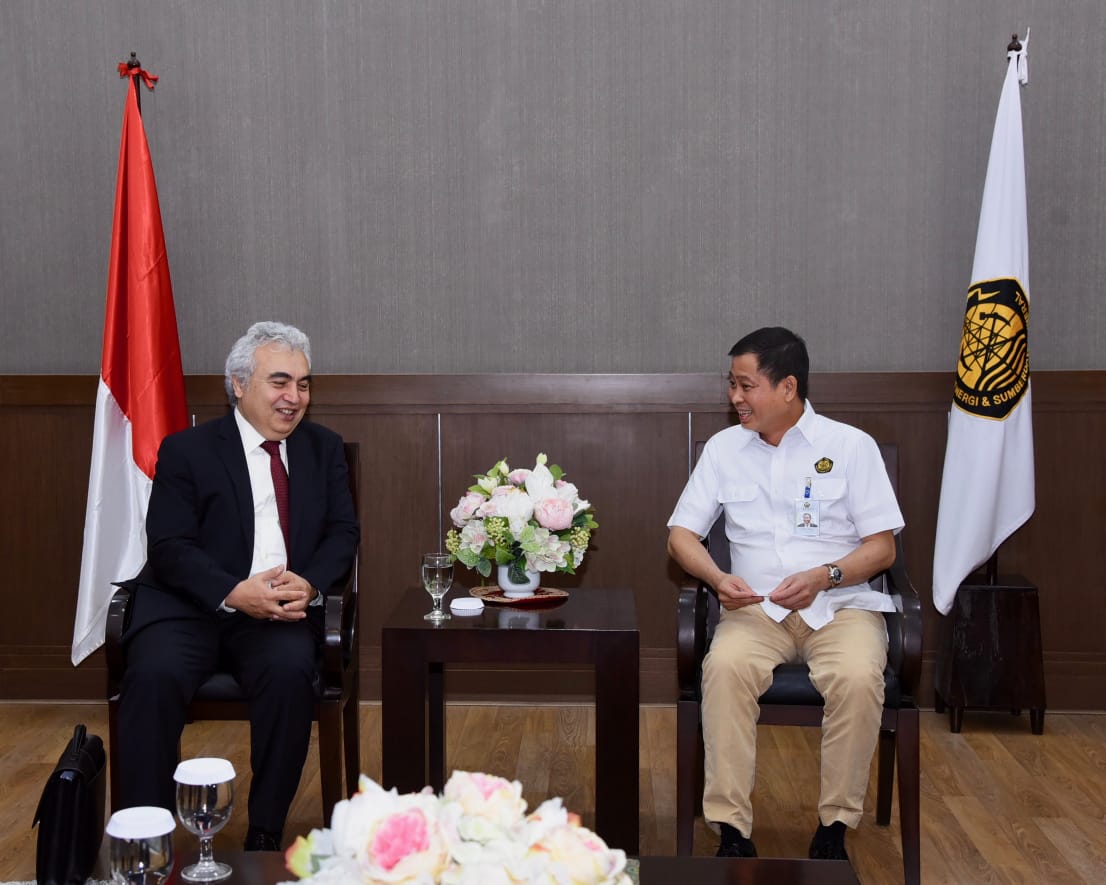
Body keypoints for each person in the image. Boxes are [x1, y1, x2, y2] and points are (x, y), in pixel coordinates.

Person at [115, 321, 360, 851]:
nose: (294, 397)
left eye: (303, 383)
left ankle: (265, 835)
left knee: (290, 672)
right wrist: (231, 591)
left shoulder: (323, 449)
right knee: (153, 676)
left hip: (277, 614)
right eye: (280, 382)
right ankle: (145, 838)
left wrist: (310, 583)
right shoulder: (187, 450)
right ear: (239, 384)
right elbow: (169, 546)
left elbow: (344, 533)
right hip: (189, 608)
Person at [666, 327, 903, 861]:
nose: (735, 397)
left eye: (746, 385)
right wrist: (717, 579)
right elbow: (681, 536)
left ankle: (835, 826)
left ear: (788, 387)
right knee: (724, 669)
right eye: (732, 384)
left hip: (841, 609)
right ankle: (731, 831)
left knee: (857, 677)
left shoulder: (850, 447)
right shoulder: (724, 450)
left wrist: (824, 576)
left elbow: (882, 548)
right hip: (754, 612)